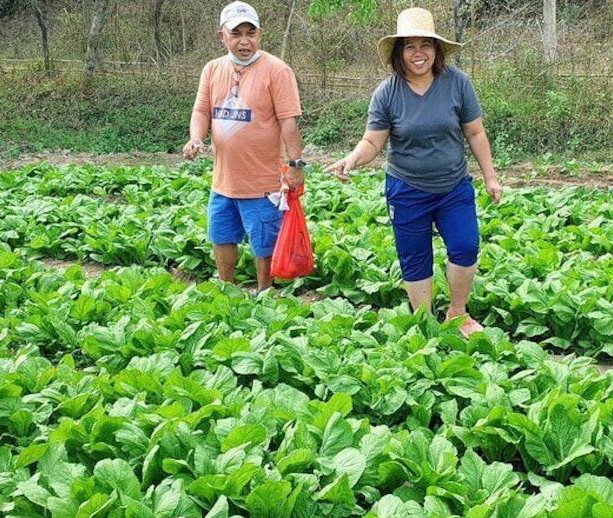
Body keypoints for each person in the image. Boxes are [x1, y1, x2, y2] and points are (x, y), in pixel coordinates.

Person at [325, 7, 503, 337]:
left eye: (426, 45)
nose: (418, 53)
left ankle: (457, 313)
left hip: (453, 187)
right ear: (399, 52)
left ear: (436, 50)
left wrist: (490, 176)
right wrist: (351, 159)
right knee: (415, 258)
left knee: (465, 248)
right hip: (407, 189)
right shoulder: (387, 93)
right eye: (410, 46)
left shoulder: (457, 84)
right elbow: (372, 141)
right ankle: (424, 322)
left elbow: (475, 132)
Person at [183, 1, 306, 291]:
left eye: (251, 33)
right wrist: (196, 138)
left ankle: (264, 293)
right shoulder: (212, 70)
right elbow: (201, 111)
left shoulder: (277, 71)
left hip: (263, 182)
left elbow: (288, 122)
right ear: (222, 36)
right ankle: (226, 288)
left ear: (260, 35)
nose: (244, 41)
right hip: (223, 181)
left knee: (264, 243)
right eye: (236, 33)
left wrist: (296, 165)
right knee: (222, 237)